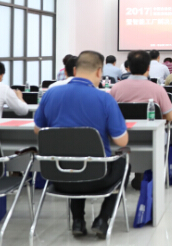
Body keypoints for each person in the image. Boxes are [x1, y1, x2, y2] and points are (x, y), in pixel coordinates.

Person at [34, 51, 129, 239]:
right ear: (99, 72)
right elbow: (121, 141)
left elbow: (38, 130)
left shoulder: (50, 94)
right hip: (98, 178)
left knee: (72, 160)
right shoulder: (105, 99)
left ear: (75, 70)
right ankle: (102, 219)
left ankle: (78, 220)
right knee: (123, 163)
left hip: (59, 177)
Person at [110, 51, 172, 122]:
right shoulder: (158, 89)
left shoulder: (116, 88)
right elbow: (171, 117)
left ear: (129, 68)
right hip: (152, 129)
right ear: (148, 68)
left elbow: (108, 113)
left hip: (124, 128)